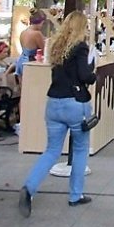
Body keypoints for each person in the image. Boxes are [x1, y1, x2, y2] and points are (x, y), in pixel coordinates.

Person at [19, 11, 95, 216]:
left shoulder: (55, 46)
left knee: (52, 151)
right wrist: (93, 72)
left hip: (53, 103)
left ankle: (29, 187)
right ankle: (75, 195)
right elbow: (84, 75)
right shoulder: (80, 47)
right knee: (80, 149)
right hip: (75, 104)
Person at [15, 10, 47, 78]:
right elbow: (45, 50)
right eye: (42, 23)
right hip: (30, 62)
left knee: (22, 84)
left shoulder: (23, 32)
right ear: (40, 22)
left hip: (21, 61)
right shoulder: (37, 34)